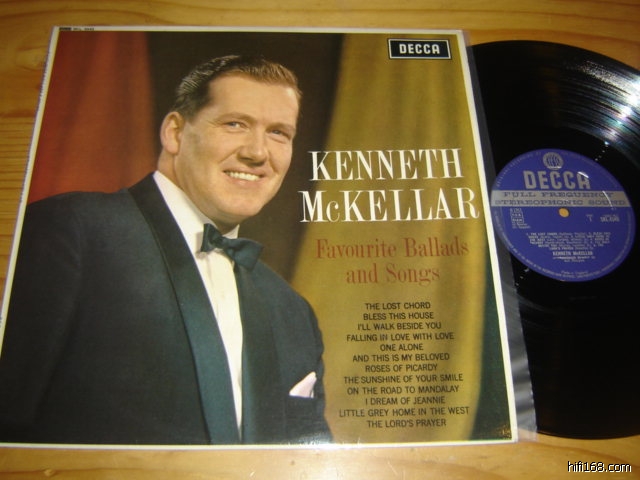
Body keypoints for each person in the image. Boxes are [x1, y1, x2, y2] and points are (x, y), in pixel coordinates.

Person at [0, 55, 331, 445]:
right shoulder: (71, 232)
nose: (258, 153)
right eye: (235, 124)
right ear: (175, 132)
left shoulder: (292, 311)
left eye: (278, 133)